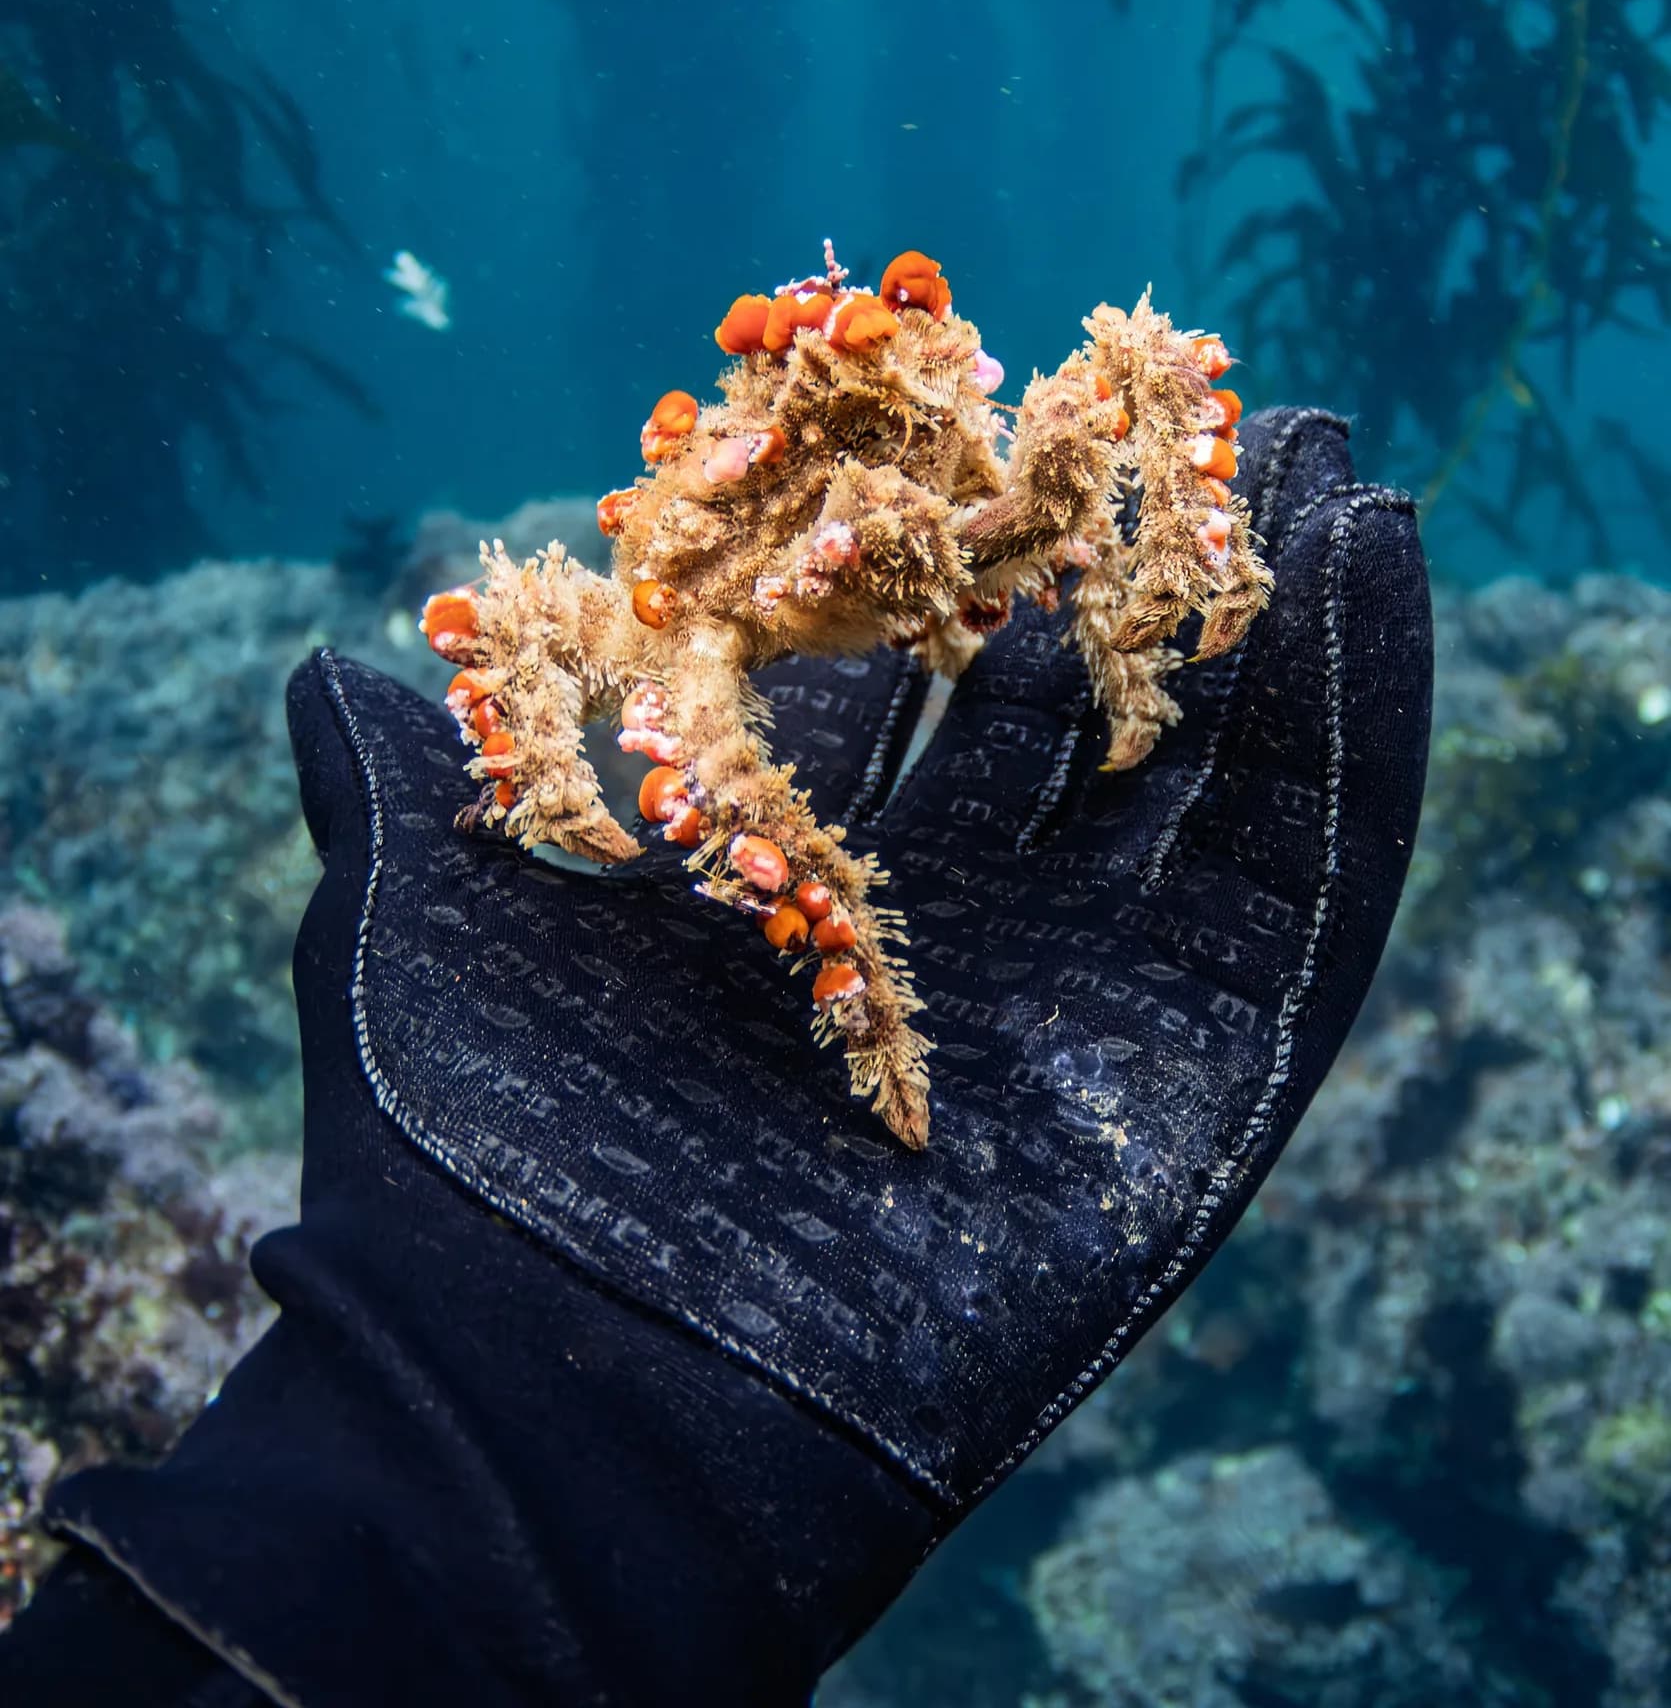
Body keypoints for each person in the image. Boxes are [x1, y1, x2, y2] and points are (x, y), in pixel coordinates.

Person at [0, 410, 1431, 1707]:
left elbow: (1126, 406)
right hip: (711, 645)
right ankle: (873, 1046)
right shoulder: (656, 607)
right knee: (725, 809)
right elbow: (521, 639)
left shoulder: (987, 454)